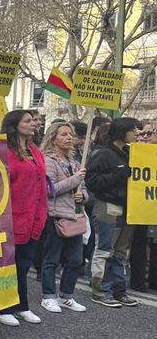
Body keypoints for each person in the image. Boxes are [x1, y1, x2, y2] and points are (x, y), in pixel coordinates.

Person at [0, 110, 47, 327]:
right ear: (15, 125)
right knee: (7, 264)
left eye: (34, 120)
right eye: (28, 120)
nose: (33, 123)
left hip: (33, 215)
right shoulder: (3, 151)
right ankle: (0, 307)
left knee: (23, 264)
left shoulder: (34, 151)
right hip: (10, 216)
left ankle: (22, 305)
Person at [85, 117, 140, 307]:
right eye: (133, 130)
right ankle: (101, 292)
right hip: (108, 206)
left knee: (121, 253)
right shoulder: (103, 154)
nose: (137, 134)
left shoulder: (130, 152)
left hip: (129, 208)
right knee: (104, 250)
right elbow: (91, 181)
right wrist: (118, 175)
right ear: (122, 131)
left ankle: (119, 291)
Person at [38, 122, 88, 313]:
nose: (69, 138)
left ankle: (66, 295)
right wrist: (75, 180)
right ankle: (48, 296)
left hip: (75, 216)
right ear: (53, 138)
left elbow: (84, 190)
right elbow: (49, 190)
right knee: (52, 259)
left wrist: (82, 195)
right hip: (56, 216)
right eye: (64, 134)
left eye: (71, 135)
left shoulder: (76, 163)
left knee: (75, 260)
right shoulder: (49, 161)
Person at [130, 124, 157, 292]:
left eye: (150, 133)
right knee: (138, 244)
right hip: (140, 204)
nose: (145, 136)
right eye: (143, 133)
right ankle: (138, 281)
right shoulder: (136, 152)